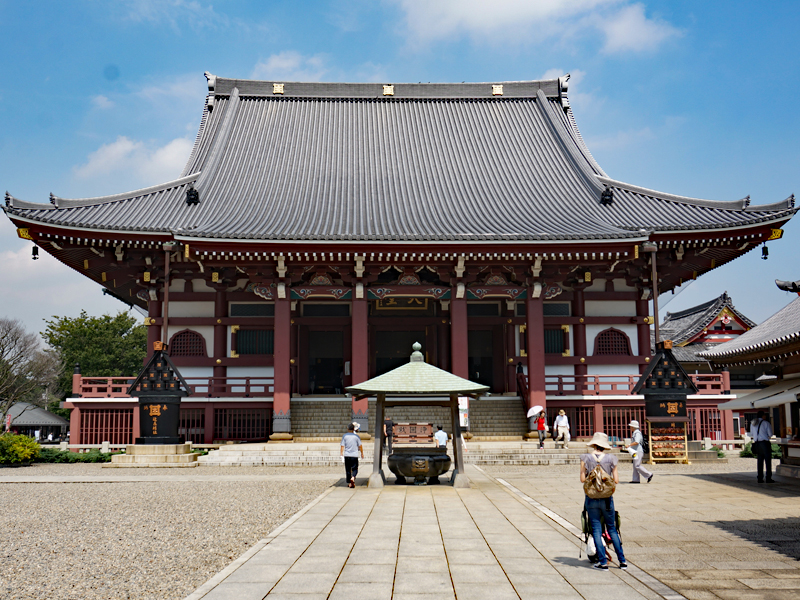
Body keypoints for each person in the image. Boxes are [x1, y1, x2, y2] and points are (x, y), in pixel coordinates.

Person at [580, 432, 627, 571]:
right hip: (607, 499)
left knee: (596, 529)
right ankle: (622, 561)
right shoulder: (612, 459)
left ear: (594, 444)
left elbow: (583, 479)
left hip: (592, 498)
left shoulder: (586, 458)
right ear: (604, 446)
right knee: (612, 529)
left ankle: (602, 562)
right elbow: (616, 480)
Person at [750, 411, 774, 483]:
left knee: (760, 461)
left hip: (757, 443)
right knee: (768, 461)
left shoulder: (753, 424)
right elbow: (770, 434)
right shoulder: (766, 423)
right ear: (763, 416)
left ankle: (760, 477)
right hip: (764, 442)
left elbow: (751, 433)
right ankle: (768, 477)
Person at [340, 423, 364, 488]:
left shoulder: (344, 436)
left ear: (348, 429)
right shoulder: (356, 437)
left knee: (348, 469)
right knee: (355, 468)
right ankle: (353, 477)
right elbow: (360, 446)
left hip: (347, 455)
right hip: (354, 455)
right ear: (353, 429)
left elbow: (342, 445)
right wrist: (362, 453)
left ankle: (349, 482)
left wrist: (341, 454)